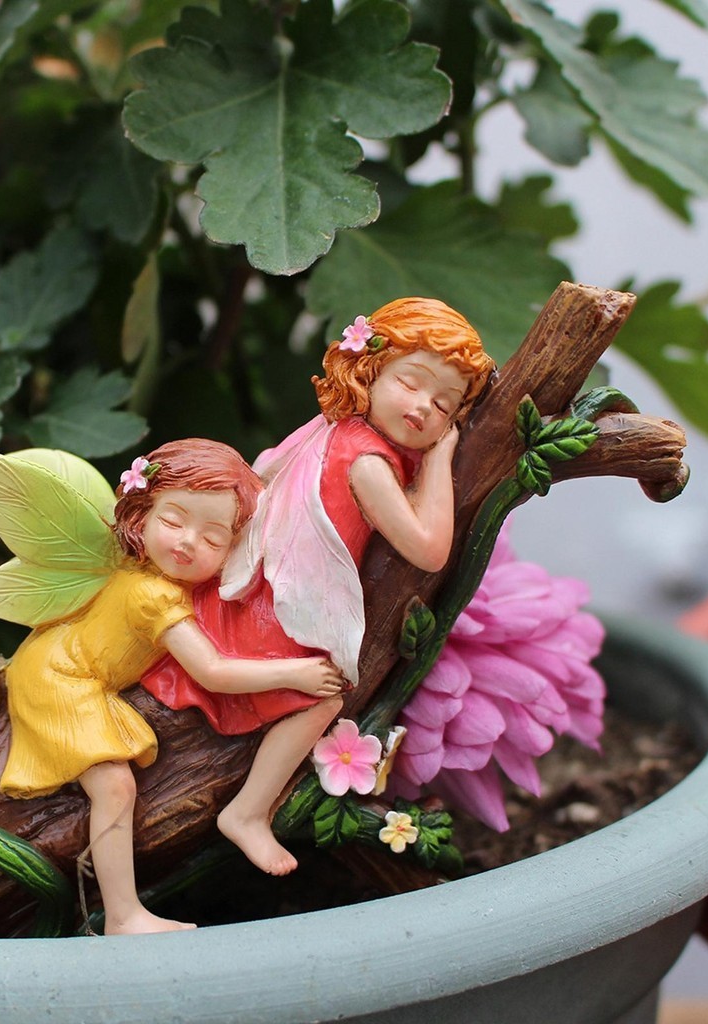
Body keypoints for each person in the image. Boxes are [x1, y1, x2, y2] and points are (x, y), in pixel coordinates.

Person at [143, 297, 495, 874]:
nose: (422, 407)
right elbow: (430, 549)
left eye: (443, 404)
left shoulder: (339, 426)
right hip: (277, 610)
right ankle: (247, 812)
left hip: (267, 591)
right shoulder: (367, 462)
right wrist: (440, 458)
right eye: (411, 382)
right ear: (369, 371)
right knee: (321, 698)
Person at [0, 439, 343, 935]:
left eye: (213, 539)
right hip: (59, 678)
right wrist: (294, 674)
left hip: (67, 667)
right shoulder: (152, 593)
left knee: (116, 783)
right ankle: (122, 916)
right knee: (114, 787)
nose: (187, 543)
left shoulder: (153, 577)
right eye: (174, 521)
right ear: (141, 514)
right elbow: (213, 672)